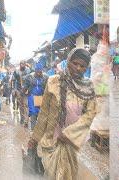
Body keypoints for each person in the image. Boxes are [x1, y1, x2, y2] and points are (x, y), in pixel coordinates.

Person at [28, 48, 97, 180]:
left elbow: (90, 115)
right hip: (51, 139)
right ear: (68, 61)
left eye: (82, 66)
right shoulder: (53, 82)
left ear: (86, 68)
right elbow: (44, 113)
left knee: (68, 174)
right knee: (51, 173)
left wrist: (69, 134)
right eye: (75, 63)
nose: (77, 68)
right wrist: (34, 138)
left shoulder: (88, 87)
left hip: (72, 142)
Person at [23, 63, 48, 130]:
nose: (39, 74)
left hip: (42, 97)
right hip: (32, 97)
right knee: (33, 112)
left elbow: (47, 88)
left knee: (41, 113)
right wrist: (23, 93)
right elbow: (25, 87)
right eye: (37, 72)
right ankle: (33, 130)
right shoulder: (30, 77)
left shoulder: (45, 77)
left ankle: (40, 130)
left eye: (40, 72)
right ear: (35, 70)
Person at [11, 61, 31, 126]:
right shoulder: (16, 71)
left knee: (26, 105)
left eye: (24, 64)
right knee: (21, 105)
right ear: (20, 65)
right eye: (21, 64)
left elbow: (33, 75)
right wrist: (14, 89)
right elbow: (13, 80)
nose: (22, 65)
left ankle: (26, 120)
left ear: (25, 64)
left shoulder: (28, 70)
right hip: (19, 90)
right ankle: (22, 118)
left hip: (26, 90)